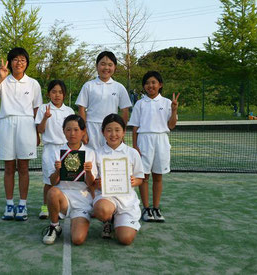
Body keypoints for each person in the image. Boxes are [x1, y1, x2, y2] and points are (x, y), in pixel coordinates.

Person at [0, 47, 42, 221]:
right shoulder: (3, 81)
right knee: (9, 167)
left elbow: (36, 108)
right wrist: (0, 78)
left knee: (23, 167)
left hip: (27, 125)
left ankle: (22, 205)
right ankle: (9, 204)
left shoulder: (33, 84)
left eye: (22, 59)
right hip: (7, 124)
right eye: (15, 59)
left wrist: (37, 132)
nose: (19, 62)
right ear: (10, 62)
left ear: (26, 63)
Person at [128, 71, 179, 223]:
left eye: (153, 82)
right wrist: (135, 146)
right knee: (144, 177)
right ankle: (146, 208)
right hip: (144, 141)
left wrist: (174, 109)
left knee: (158, 176)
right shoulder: (140, 103)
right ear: (144, 86)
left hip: (161, 141)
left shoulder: (167, 103)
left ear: (160, 85)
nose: (150, 85)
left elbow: (171, 125)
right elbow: (135, 127)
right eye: (147, 83)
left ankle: (156, 208)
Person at [42, 115, 97, 245]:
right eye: (68, 129)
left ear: (83, 132)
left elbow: (91, 184)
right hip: (63, 196)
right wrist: (58, 171)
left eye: (76, 130)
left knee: (77, 239)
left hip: (82, 199)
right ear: (63, 131)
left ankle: (78, 220)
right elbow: (52, 182)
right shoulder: (56, 152)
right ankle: (54, 226)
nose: (72, 133)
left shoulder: (90, 153)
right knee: (52, 192)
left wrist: (88, 171)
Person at [92, 114, 144, 245]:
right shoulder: (97, 153)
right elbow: (92, 182)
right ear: (103, 132)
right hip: (106, 198)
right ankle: (107, 221)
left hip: (127, 201)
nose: (113, 134)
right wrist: (97, 183)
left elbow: (140, 178)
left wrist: (134, 181)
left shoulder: (132, 153)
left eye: (117, 130)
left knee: (125, 239)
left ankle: (118, 221)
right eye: (109, 130)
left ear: (123, 132)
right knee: (103, 210)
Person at [75, 51, 132, 150]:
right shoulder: (88, 85)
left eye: (110, 65)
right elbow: (81, 109)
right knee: (92, 159)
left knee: (109, 159)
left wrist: (121, 132)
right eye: (103, 64)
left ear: (115, 67)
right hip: (91, 129)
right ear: (97, 66)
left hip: (111, 130)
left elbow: (125, 111)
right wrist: (84, 132)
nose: (106, 68)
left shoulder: (119, 87)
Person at [35, 80, 75, 219]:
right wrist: (45, 118)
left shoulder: (69, 111)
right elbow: (40, 129)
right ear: (48, 94)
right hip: (50, 150)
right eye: (54, 92)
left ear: (64, 94)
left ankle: (65, 206)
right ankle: (45, 207)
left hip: (66, 149)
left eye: (60, 92)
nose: (57, 95)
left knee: (67, 181)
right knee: (49, 181)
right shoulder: (43, 109)